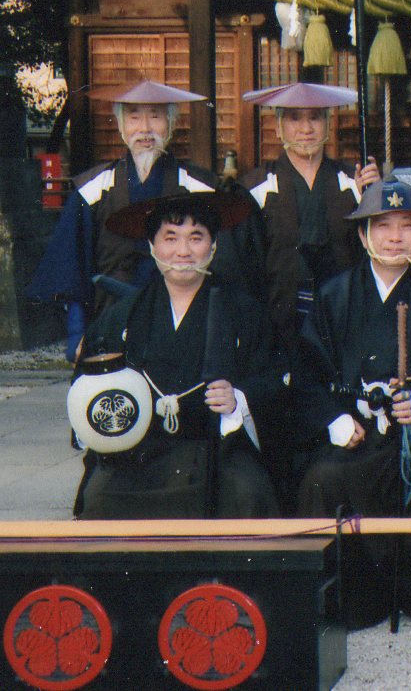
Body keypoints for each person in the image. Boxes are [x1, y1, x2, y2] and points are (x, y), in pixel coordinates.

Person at [293, 178, 411, 630]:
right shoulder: (334, 294)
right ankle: (344, 606)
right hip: (360, 434)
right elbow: (307, 373)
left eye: (406, 226)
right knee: (322, 478)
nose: (395, 236)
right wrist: (334, 418)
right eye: (382, 226)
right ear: (363, 236)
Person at [73, 193, 279, 519]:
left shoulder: (245, 312)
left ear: (212, 246)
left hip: (217, 449)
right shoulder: (122, 317)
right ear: (152, 245)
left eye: (196, 238)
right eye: (170, 238)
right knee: (100, 497)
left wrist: (238, 398)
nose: (183, 251)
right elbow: (92, 394)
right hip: (141, 452)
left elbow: (275, 378)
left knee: (246, 493)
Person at [29, 80, 236, 360]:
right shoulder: (93, 189)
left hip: (187, 323)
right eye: (134, 116)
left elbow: (224, 269)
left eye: (155, 115)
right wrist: (78, 335)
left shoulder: (200, 187)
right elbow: (71, 269)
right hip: (111, 321)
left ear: (171, 122)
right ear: (120, 124)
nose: (145, 128)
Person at [234, 82, 380, 345]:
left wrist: (373, 198)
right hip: (278, 322)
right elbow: (245, 268)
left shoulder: (353, 182)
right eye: (294, 118)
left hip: (343, 317)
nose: (306, 129)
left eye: (315, 117)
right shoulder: (255, 187)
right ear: (278, 126)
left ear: (328, 124)